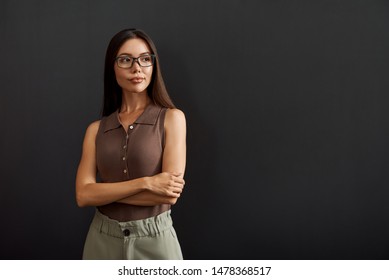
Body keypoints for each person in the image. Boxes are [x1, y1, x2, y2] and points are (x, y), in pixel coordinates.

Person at [75, 28, 186, 260]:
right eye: (126, 60)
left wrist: (102, 192)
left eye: (145, 59)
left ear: (153, 66)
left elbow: (168, 195)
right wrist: (147, 183)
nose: (137, 68)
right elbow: (83, 195)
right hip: (101, 241)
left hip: (155, 241)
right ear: (112, 67)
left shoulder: (173, 118)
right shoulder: (95, 130)